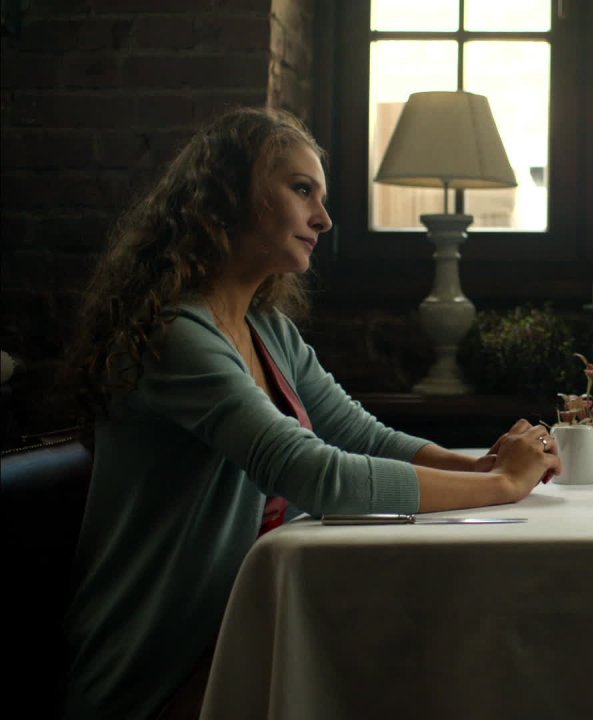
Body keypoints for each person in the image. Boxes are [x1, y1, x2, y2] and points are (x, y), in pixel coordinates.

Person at [59, 107, 563, 720]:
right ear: (226, 196)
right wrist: (503, 484)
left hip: (239, 634)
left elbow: (359, 434)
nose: (323, 218)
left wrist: (479, 467)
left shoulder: (266, 328)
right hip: (158, 669)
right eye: (302, 190)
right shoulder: (176, 336)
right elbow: (315, 474)